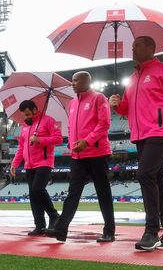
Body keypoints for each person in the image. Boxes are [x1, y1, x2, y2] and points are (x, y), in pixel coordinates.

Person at [109, 36, 163, 251]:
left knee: (144, 174)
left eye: (137, 45)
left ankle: (151, 231)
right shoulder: (132, 79)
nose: (133, 49)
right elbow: (127, 108)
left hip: (159, 131)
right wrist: (117, 105)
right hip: (140, 135)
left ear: (151, 48)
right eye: (132, 45)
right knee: (159, 183)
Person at [45, 71, 115, 243]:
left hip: (98, 153)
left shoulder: (99, 98)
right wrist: (71, 141)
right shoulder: (73, 103)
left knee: (103, 193)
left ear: (86, 81)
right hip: (78, 155)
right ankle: (61, 231)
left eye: (75, 80)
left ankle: (109, 231)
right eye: (72, 80)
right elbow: (71, 126)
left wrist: (88, 141)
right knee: (72, 193)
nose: (72, 83)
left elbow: (104, 124)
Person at [10, 100, 63, 236]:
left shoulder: (48, 121)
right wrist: (15, 164)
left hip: (44, 162)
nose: (26, 117)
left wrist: (40, 140)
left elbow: (58, 139)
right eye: (24, 116)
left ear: (35, 110)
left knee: (37, 189)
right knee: (33, 196)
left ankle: (54, 215)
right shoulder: (24, 127)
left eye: (28, 114)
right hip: (29, 165)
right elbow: (21, 147)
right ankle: (39, 225)